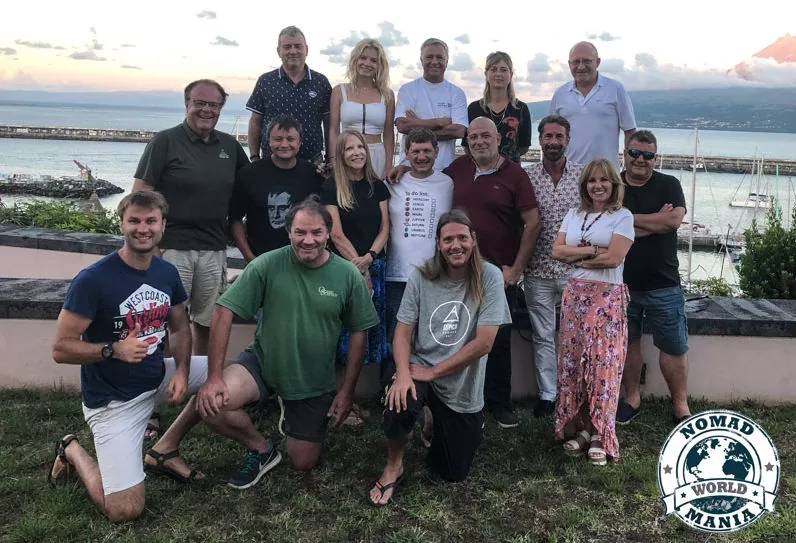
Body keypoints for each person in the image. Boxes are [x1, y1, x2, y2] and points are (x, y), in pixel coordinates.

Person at [195, 196, 378, 488]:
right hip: (264, 363)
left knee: (303, 462)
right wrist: (214, 376)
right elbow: (223, 311)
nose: (308, 240)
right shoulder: (267, 264)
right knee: (214, 405)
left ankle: (293, 414)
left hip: (313, 380)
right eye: (300, 232)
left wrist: (346, 392)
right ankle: (261, 448)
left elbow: (359, 332)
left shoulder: (347, 275)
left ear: (328, 234)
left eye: (316, 232)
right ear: (288, 232)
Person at [48, 191, 208, 522]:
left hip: (157, 376)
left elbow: (179, 328)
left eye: (151, 221)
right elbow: (61, 348)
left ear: (163, 226)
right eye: (134, 220)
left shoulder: (166, 273)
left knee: (229, 377)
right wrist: (112, 349)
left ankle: (164, 449)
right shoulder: (93, 280)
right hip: (114, 402)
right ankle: (72, 450)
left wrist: (181, 370)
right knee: (125, 509)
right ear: (121, 224)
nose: (143, 228)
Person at [368, 210, 512, 506]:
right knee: (400, 400)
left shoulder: (490, 276)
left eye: (462, 238)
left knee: (452, 471)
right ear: (438, 244)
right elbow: (402, 333)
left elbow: (484, 343)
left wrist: (434, 373)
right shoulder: (421, 276)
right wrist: (403, 374)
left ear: (473, 240)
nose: (455, 245)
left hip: (460, 382)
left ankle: (435, 420)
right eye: (448, 240)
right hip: (419, 366)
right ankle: (394, 465)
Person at [133, 78, 248, 357]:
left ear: (220, 108)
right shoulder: (165, 141)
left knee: (207, 322)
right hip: (172, 248)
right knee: (166, 321)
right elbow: (139, 197)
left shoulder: (230, 146)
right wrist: (151, 247)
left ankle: (198, 376)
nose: (207, 110)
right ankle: (164, 377)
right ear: (187, 104)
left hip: (213, 249)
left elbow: (251, 186)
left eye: (214, 105)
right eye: (200, 103)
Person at [443, 117, 540, 428]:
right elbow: (426, 179)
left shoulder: (515, 174)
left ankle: (499, 403)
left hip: (498, 273)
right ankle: (462, 399)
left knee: (498, 340)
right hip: (458, 270)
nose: (479, 141)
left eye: (485, 135)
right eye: (473, 137)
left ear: (498, 139)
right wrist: (402, 168)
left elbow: (533, 222)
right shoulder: (458, 169)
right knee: (459, 336)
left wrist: (517, 268)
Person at [551, 158, 634, 465]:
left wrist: (575, 259)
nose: (598, 186)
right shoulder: (574, 214)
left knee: (603, 365)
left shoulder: (622, 216)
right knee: (574, 362)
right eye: (592, 180)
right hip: (575, 295)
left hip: (607, 296)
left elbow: (614, 258)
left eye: (604, 180)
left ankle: (601, 433)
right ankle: (584, 427)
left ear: (614, 184)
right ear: (585, 185)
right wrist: (591, 251)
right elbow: (556, 250)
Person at [616, 130, 691, 425]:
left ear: (655, 158)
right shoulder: (613, 185)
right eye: (635, 153)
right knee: (628, 344)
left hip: (664, 283)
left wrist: (625, 219)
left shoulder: (669, 184)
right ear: (625, 154)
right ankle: (632, 398)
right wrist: (654, 221)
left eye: (648, 155)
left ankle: (681, 405)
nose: (640, 160)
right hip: (622, 283)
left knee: (674, 347)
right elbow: (607, 227)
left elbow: (673, 221)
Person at [523, 115, 583, 417]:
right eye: (548, 136)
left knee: (575, 336)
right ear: (540, 140)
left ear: (568, 139)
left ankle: (573, 392)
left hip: (574, 270)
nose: (553, 142)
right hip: (537, 271)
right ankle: (548, 395)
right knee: (542, 335)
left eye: (559, 136)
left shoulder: (583, 176)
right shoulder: (527, 177)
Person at [322, 129, 390, 375]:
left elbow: (385, 228)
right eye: (349, 148)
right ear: (341, 155)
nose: (356, 152)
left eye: (360, 147)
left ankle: (365, 388)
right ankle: (338, 388)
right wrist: (359, 268)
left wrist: (369, 258)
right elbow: (336, 234)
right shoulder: (331, 187)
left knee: (371, 328)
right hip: (344, 269)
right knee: (343, 330)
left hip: (375, 265)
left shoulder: (377, 186)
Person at [230, 115, 324, 262]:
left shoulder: (314, 175)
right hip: (261, 260)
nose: (284, 144)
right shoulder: (249, 174)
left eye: (290, 139)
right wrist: (249, 257)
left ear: (300, 142)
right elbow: (235, 219)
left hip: (304, 260)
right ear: (268, 141)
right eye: (278, 139)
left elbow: (324, 220)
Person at [246, 26, 333, 168]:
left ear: (306, 50)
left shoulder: (321, 82)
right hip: (271, 164)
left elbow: (329, 124)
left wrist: (331, 158)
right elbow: (255, 122)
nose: (293, 51)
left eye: (298, 46)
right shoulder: (265, 81)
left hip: (312, 164)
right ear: (279, 51)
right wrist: (254, 157)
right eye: (287, 47)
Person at [549, 41, 636, 167]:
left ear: (597, 62)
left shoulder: (616, 89)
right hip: (568, 173)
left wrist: (628, 169)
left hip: (606, 173)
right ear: (569, 64)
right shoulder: (560, 94)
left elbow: (630, 132)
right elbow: (551, 133)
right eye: (576, 62)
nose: (581, 66)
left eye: (586, 61)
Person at [394, 38, 468, 170]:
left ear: (447, 61)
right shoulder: (407, 90)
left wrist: (416, 124)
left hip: (445, 169)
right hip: (410, 169)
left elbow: (458, 131)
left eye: (439, 57)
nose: (434, 61)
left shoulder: (457, 93)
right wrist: (438, 122)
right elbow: (402, 125)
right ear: (421, 60)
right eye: (429, 57)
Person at [329, 38, 395, 178]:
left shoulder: (387, 95)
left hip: (377, 155)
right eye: (363, 58)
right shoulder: (339, 91)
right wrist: (334, 161)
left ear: (380, 65)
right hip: (348, 154)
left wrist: (389, 165)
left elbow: (388, 133)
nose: (367, 63)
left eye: (373, 60)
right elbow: (333, 130)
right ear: (355, 60)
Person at [462, 51, 532, 164]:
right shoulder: (473, 109)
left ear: (511, 75)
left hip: (511, 170)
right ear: (486, 74)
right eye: (493, 69)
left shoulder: (521, 109)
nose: (498, 74)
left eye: (503, 70)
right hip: (480, 169)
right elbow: (466, 145)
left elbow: (524, 147)